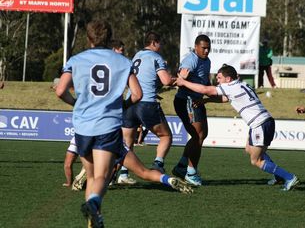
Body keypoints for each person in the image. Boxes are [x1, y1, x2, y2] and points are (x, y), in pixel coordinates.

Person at [56, 20, 192, 228]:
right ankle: (94, 203)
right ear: (110, 38)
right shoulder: (122, 61)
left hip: (83, 125)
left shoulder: (76, 59)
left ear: (88, 38)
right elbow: (137, 94)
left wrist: (75, 103)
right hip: (108, 125)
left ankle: (94, 222)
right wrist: (124, 105)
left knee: (91, 176)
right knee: (102, 175)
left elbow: (60, 90)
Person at [176, 64, 299, 191]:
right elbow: (225, 98)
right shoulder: (241, 85)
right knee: (249, 149)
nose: (217, 81)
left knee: (255, 160)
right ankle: (278, 176)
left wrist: (183, 82)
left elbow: (205, 89)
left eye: (219, 78)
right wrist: (206, 101)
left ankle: (289, 177)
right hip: (263, 121)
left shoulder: (230, 86)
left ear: (228, 79)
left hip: (259, 124)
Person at [121, 31, 176, 180]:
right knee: (166, 136)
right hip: (146, 102)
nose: (161, 47)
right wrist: (177, 79)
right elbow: (166, 80)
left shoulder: (136, 55)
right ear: (154, 43)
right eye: (160, 43)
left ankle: (123, 174)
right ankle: (158, 165)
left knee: (127, 142)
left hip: (130, 102)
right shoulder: (156, 57)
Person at [172, 34, 211, 186]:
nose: (206, 51)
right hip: (186, 101)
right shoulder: (191, 59)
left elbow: (205, 82)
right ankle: (191, 172)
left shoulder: (206, 61)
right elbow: (180, 79)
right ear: (196, 47)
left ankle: (182, 167)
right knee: (197, 136)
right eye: (203, 48)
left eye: (208, 48)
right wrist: (183, 78)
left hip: (197, 101)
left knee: (202, 135)